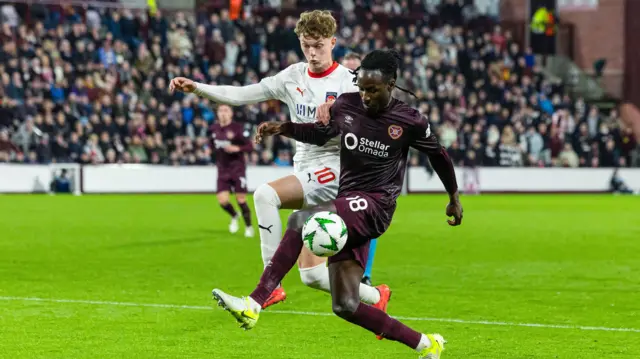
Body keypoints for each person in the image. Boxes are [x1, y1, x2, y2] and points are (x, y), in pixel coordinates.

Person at [211, 49, 463, 359]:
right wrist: (286, 128)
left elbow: (439, 155)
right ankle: (427, 345)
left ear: (391, 83)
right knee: (345, 306)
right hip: (348, 203)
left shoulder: (409, 120)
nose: (366, 96)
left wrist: (453, 196)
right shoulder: (347, 104)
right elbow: (322, 134)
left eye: (373, 89)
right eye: (362, 88)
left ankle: (255, 302)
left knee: (299, 221)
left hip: (376, 205)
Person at [169, 10, 388, 313]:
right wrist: (198, 87)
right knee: (311, 275)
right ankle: (377, 297)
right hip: (305, 168)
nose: (312, 53)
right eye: (306, 45)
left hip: (338, 170)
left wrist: (343, 113)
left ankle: (269, 288)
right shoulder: (291, 77)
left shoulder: (350, 83)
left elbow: (378, 124)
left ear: (333, 42)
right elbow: (241, 95)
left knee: (265, 194)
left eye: (319, 46)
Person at [341, 52, 378, 286]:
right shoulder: (337, 102)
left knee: (367, 220)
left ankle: (364, 273)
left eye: (356, 73)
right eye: (348, 72)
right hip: (335, 167)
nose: (352, 78)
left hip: (365, 169)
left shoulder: (374, 105)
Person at [210, 104, 254, 237]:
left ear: (231, 114)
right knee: (222, 200)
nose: (223, 113)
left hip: (237, 168)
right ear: (217, 113)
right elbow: (212, 144)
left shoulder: (237, 129)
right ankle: (235, 215)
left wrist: (237, 149)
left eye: (226, 110)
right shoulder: (214, 129)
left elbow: (250, 146)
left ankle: (248, 227)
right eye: (220, 110)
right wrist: (209, 150)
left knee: (240, 199)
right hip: (222, 169)